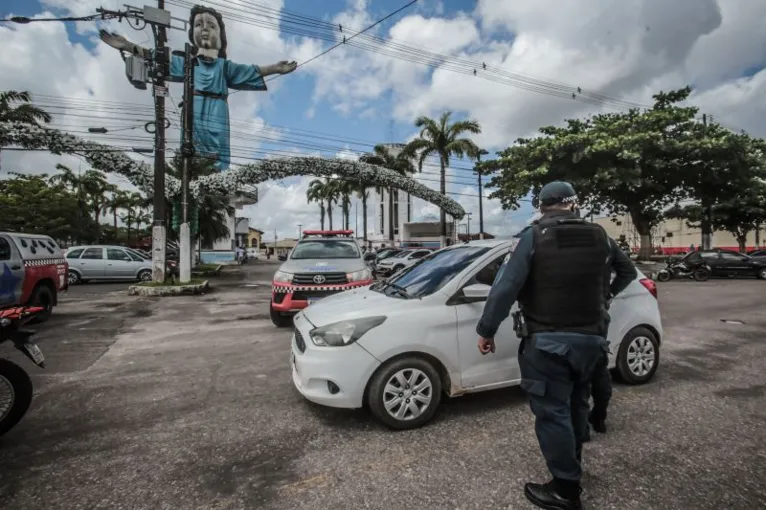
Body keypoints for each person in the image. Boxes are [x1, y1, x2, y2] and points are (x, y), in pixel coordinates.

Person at [476, 181, 637, 510]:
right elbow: (627, 270)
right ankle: (573, 469)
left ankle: (565, 490)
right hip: (592, 341)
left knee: (553, 413)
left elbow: (505, 288)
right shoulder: (600, 236)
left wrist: (487, 330)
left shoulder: (532, 237)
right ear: (574, 204)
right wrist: (607, 295)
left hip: (548, 343)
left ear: (542, 205)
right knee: (579, 403)